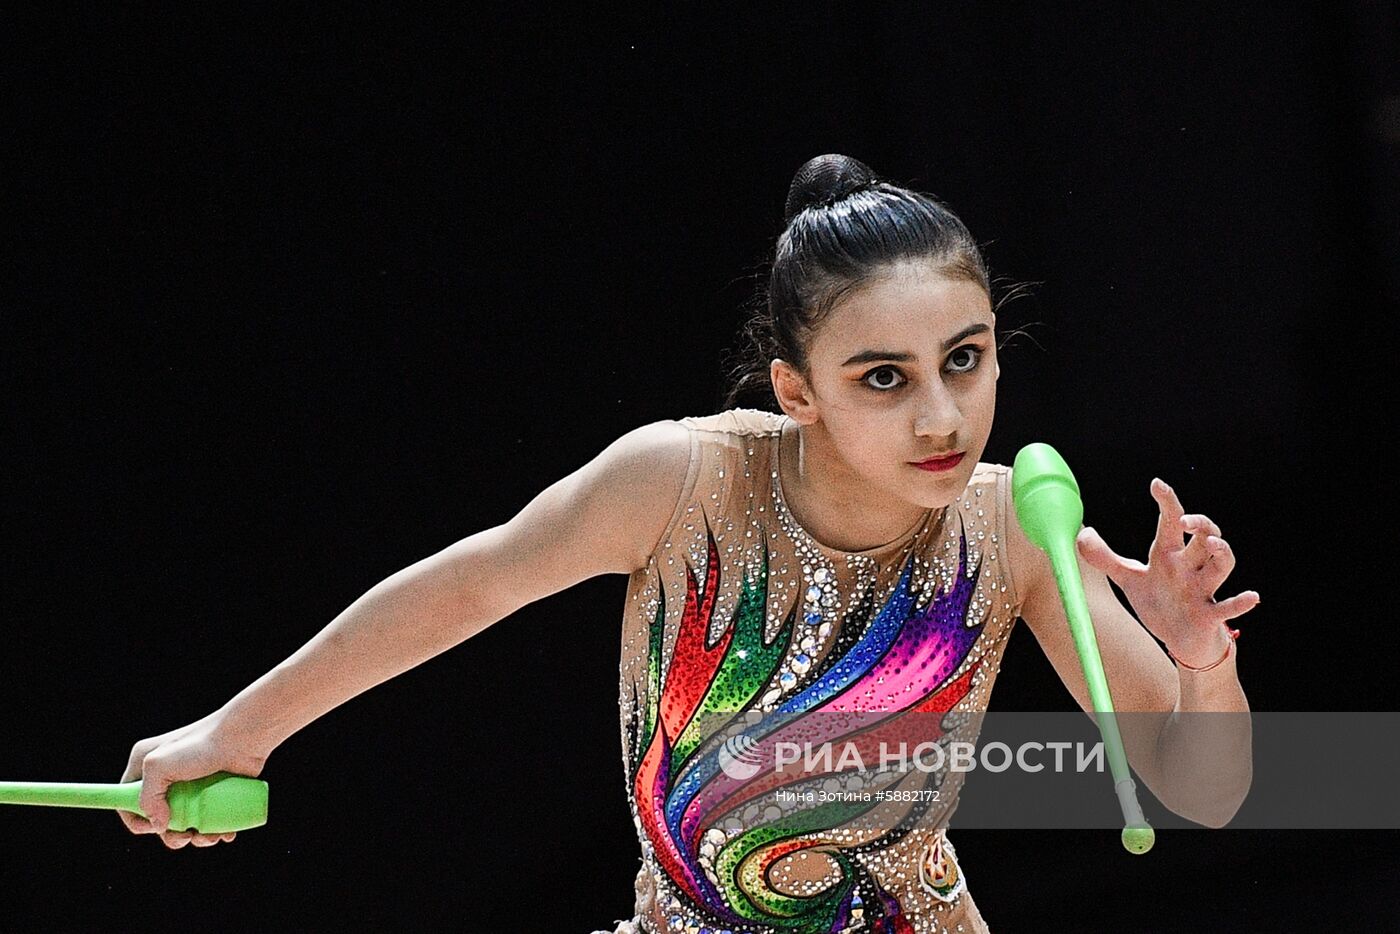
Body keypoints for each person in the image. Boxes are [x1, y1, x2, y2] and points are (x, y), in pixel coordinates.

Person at [120, 154, 1258, 933]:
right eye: (881, 377)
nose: (940, 418)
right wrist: (236, 732)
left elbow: (1204, 792)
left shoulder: (1009, 523)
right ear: (794, 390)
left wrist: (1201, 661)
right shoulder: (678, 481)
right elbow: (466, 588)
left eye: (964, 359)